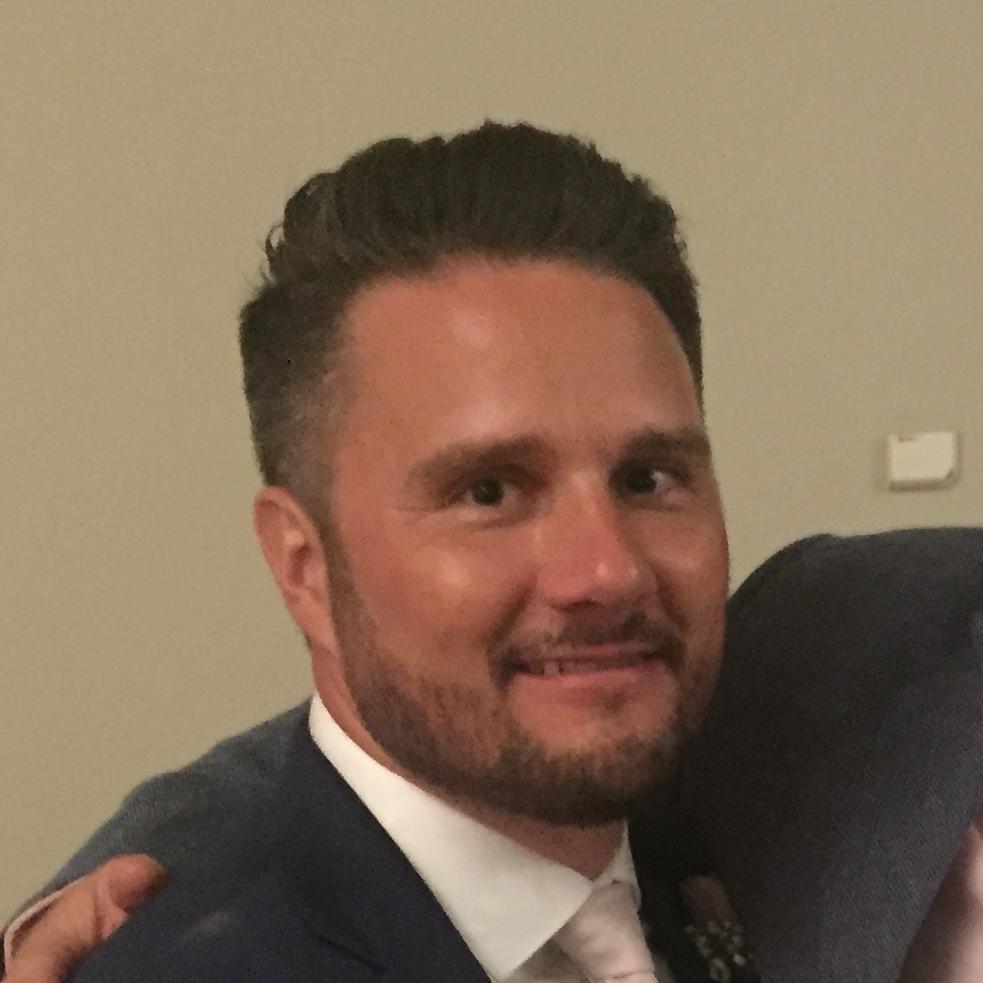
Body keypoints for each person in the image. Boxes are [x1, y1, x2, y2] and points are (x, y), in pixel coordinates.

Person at [6, 127, 982, 983]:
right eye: (488, 491)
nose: (606, 570)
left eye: (648, 478)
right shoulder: (881, 623)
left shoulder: (661, 864)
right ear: (303, 565)